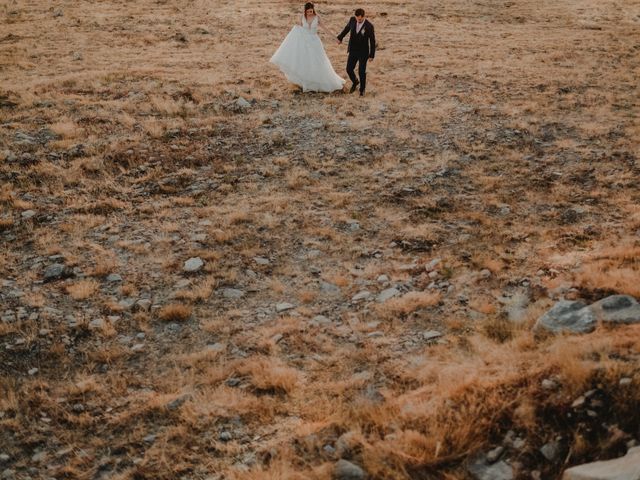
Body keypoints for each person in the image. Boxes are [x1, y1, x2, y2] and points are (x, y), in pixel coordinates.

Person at [270, 2, 345, 93]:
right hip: (304, 43)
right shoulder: (302, 17)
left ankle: (320, 81)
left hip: (314, 43)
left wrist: (336, 38)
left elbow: (325, 29)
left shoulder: (317, 18)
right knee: (305, 62)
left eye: (311, 11)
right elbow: (299, 29)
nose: (310, 13)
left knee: (318, 62)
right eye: (308, 11)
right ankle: (306, 82)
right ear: (305, 11)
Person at [337, 8, 376, 96]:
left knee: (361, 71)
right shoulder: (352, 20)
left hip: (363, 52)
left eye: (360, 19)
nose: (358, 20)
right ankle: (355, 82)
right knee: (349, 69)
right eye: (357, 18)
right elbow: (346, 29)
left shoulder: (369, 26)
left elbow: (372, 41)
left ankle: (362, 89)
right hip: (353, 50)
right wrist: (340, 37)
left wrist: (372, 55)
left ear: (363, 17)